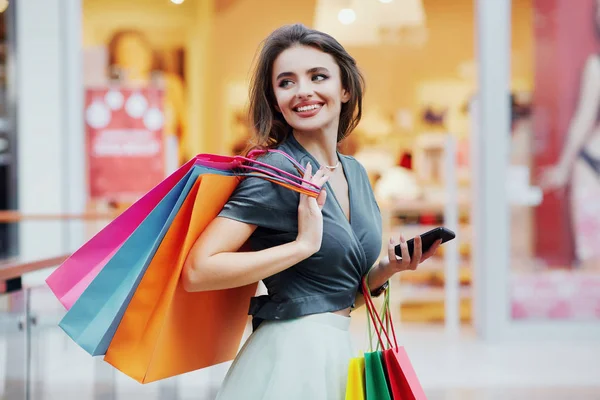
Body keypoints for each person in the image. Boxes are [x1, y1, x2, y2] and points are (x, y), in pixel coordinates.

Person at [182, 24, 440, 400]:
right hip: (288, 359)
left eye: (318, 76)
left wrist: (387, 269)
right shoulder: (277, 171)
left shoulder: (356, 173)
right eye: (286, 82)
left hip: (335, 355)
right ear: (274, 100)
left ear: (345, 88)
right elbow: (197, 270)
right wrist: (302, 245)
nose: (303, 90)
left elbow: (337, 294)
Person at [539, 0, 600, 270]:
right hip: (590, 164)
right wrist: (563, 168)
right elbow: (582, 120)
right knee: (592, 260)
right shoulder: (596, 67)